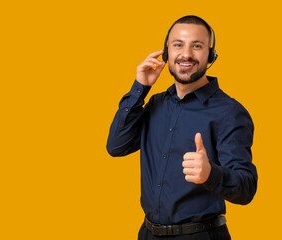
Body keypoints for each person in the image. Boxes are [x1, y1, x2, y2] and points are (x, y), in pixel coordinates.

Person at [107, 15, 258, 240]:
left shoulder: (229, 112)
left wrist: (211, 174)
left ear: (211, 55)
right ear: (167, 53)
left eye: (197, 46)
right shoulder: (155, 104)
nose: (186, 54)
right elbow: (116, 146)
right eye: (178, 45)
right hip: (147, 234)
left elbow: (246, 188)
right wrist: (140, 88)